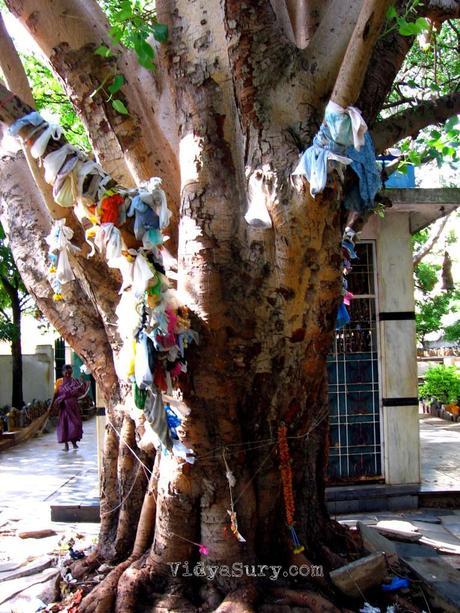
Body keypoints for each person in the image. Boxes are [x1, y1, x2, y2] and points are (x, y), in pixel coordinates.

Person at [51, 364, 89, 451]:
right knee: (64, 425)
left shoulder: (74, 381)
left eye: (69, 373)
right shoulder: (59, 382)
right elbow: (56, 394)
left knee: (75, 424)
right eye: (66, 373)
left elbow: (81, 390)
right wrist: (52, 405)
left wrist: (82, 382)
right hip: (64, 407)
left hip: (73, 407)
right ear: (63, 372)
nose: (68, 375)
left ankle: (74, 443)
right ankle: (66, 445)